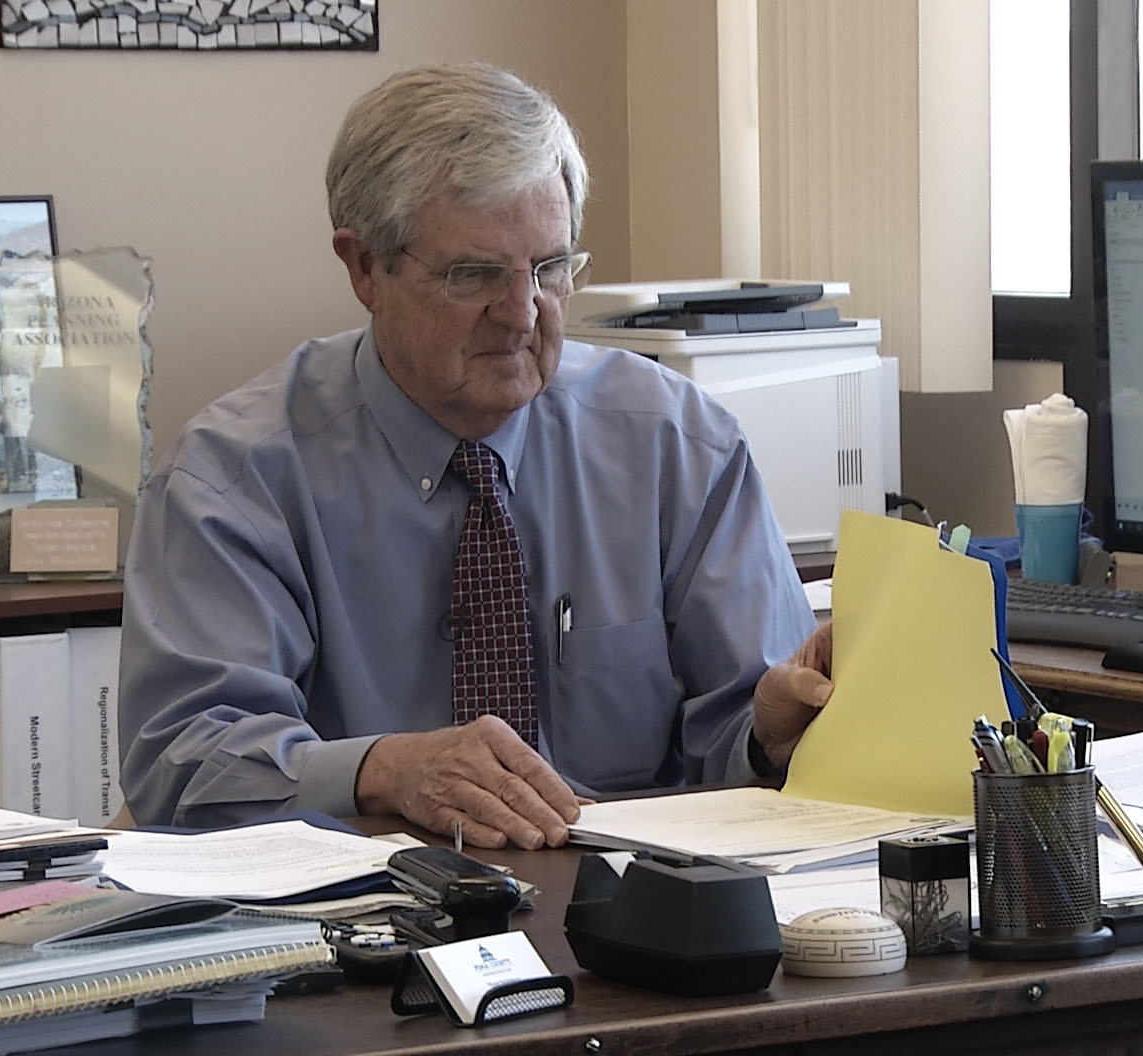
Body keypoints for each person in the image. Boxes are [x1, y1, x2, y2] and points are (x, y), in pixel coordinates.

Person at [118, 63, 833, 849]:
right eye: (475, 275)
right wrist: (382, 771)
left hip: (638, 922)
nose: (523, 314)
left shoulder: (678, 447)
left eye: (552, 269)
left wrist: (772, 736)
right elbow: (180, 763)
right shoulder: (234, 476)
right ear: (363, 267)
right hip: (358, 930)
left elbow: (752, 738)